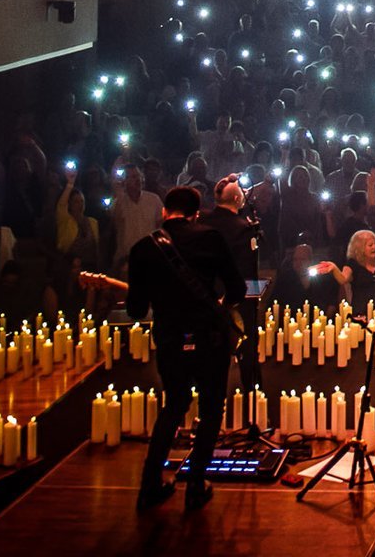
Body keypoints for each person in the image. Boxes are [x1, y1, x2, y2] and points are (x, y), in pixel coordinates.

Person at [123, 186, 241, 514]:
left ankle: (149, 486)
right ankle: (195, 485)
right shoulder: (211, 238)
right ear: (197, 212)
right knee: (211, 407)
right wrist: (217, 305)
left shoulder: (142, 248)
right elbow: (238, 288)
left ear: (164, 212)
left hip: (170, 338)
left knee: (174, 405)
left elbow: (135, 309)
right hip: (209, 338)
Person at [200, 175, 264, 406]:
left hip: (206, 294)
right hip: (237, 296)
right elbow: (246, 268)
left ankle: (211, 399)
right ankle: (251, 396)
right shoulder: (242, 228)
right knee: (245, 344)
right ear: (238, 199)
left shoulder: (204, 220)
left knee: (211, 349)